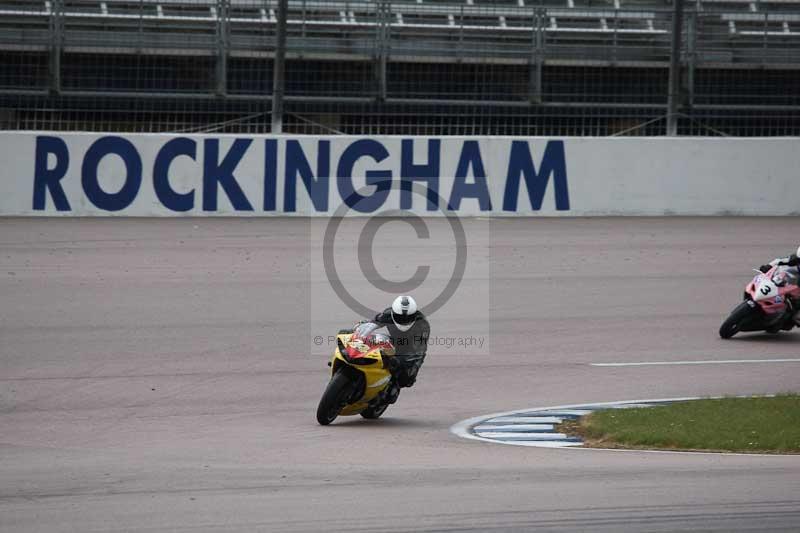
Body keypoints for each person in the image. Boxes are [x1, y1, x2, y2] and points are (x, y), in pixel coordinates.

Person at [373, 295, 430, 391]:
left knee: (406, 380)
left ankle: (388, 393)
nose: (404, 320)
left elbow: (418, 350)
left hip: (411, 351)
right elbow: (372, 323)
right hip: (391, 343)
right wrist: (359, 328)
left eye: (408, 317)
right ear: (394, 312)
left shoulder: (422, 325)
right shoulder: (388, 314)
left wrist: (399, 360)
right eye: (400, 317)